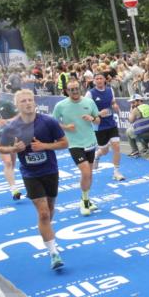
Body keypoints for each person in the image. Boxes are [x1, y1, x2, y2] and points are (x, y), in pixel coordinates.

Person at [0, 90, 70, 271]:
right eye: (23, 101)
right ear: (17, 105)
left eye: (30, 100)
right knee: (44, 213)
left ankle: (46, 231)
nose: (28, 103)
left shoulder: (48, 121)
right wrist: (14, 148)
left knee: (50, 210)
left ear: (35, 102)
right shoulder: (12, 126)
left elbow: (64, 143)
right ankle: (54, 253)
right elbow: (1, 148)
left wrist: (44, 146)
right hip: (30, 174)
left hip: (50, 170)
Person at [52, 79, 102, 216]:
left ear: (80, 88)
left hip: (90, 142)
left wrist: (92, 119)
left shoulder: (89, 102)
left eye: (76, 88)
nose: (74, 91)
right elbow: (53, 123)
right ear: (67, 91)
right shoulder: (61, 105)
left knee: (89, 174)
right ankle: (85, 203)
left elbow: (98, 120)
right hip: (74, 143)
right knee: (85, 172)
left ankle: (85, 198)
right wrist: (66, 127)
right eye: (71, 89)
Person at [87, 72, 126, 181]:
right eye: (97, 78)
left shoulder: (110, 90)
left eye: (101, 78)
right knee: (104, 151)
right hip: (99, 126)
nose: (99, 80)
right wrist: (98, 114)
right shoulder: (90, 94)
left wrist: (115, 106)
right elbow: (85, 110)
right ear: (94, 81)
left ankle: (116, 172)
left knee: (117, 146)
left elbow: (112, 102)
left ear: (105, 80)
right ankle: (97, 155)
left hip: (111, 123)